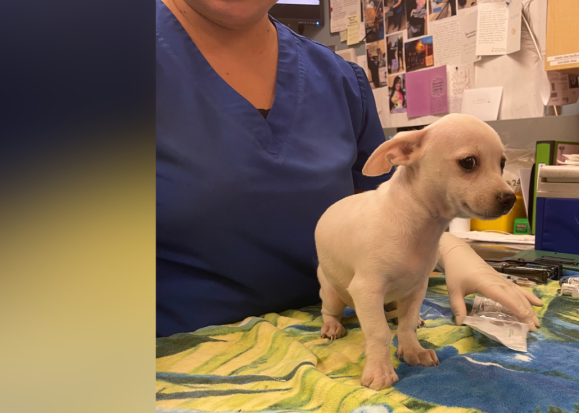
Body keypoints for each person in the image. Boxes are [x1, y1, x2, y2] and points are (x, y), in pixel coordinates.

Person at [156, 0, 540, 336]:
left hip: (336, 328)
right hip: (176, 354)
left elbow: (396, 205)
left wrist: (452, 251)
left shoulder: (339, 79)